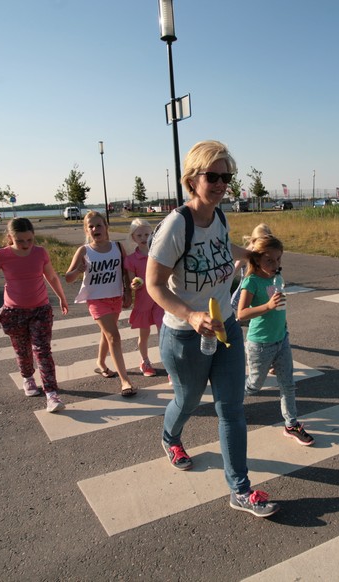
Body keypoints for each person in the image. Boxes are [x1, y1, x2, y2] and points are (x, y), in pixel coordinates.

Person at [147, 139, 279, 518]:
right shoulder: (176, 225)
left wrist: (249, 255)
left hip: (226, 330)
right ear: (192, 179)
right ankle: (170, 436)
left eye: (227, 177)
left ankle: (240, 489)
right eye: (213, 176)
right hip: (185, 336)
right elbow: (154, 285)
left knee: (232, 409)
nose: (221, 184)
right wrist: (191, 316)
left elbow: (222, 245)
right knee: (188, 400)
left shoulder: (219, 217)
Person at [0, 218, 69, 413]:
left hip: (40, 310)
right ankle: (27, 377)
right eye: (20, 241)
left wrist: (62, 297)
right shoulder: (1, 255)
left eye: (29, 240)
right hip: (14, 312)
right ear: (10, 237)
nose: (26, 245)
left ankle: (51, 394)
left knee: (42, 350)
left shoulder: (40, 253)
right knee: (22, 350)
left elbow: (51, 276)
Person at [236, 234, 314, 446]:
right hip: (260, 344)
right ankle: (230, 403)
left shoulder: (277, 278)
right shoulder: (251, 281)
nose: (275, 264)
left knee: (288, 384)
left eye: (278, 259)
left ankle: (291, 424)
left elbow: (280, 308)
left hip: (281, 339)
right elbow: (241, 314)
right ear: (257, 259)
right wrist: (268, 306)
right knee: (254, 385)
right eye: (269, 260)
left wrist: (283, 325)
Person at [65, 211, 136, 396]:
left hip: (116, 297)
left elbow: (125, 271)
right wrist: (78, 270)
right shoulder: (84, 250)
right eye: (91, 226)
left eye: (99, 225)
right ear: (86, 230)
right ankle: (125, 381)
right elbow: (68, 278)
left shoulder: (117, 247)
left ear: (106, 227)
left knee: (107, 334)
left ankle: (101, 363)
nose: (95, 229)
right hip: (96, 300)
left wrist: (128, 292)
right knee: (114, 336)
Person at [124, 218, 165, 378]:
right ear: (133, 237)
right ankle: (145, 361)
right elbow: (132, 282)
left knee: (163, 333)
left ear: (152, 235)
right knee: (144, 334)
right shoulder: (131, 259)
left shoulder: (158, 254)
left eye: (147, 234)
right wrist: (134, 285)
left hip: (160, 299)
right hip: (143, 302)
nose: (143, 238)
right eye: (139, 235)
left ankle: (168, 364)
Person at [231, 223, 272, 315]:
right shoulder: (246, 254)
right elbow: (232, 273)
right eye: (261, 242)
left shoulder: (267, 255)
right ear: (253, 241)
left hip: (260, 297)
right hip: (242, 299)